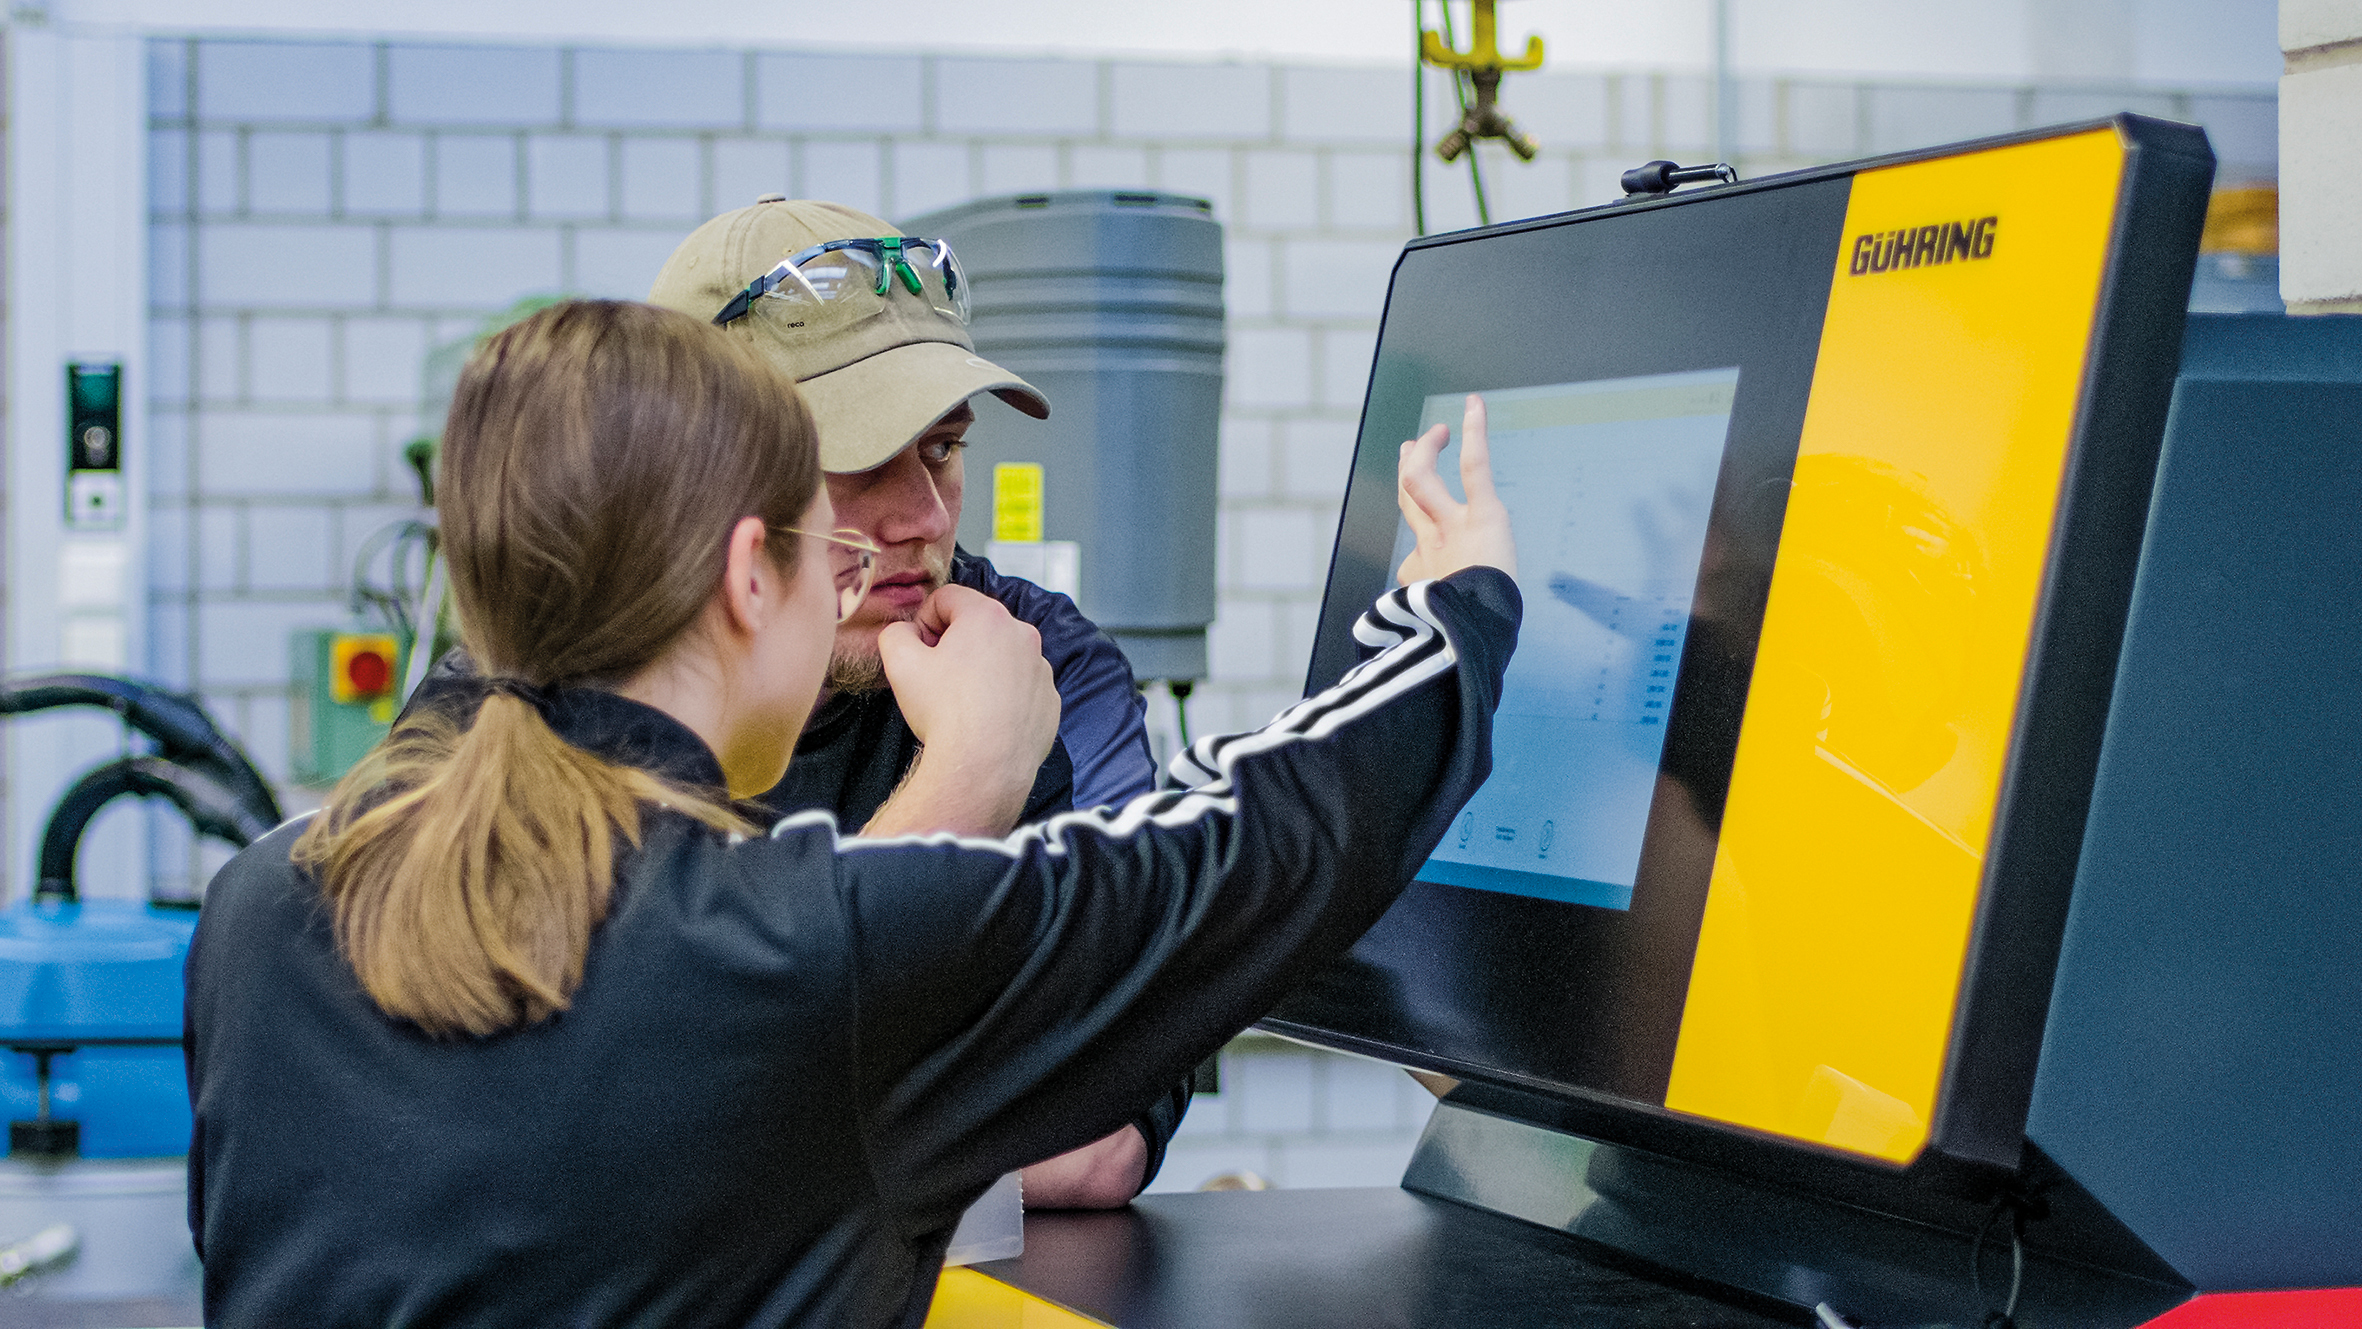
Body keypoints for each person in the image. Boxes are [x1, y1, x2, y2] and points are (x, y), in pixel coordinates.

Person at [184, 299, 1518, 1328]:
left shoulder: (256, 911)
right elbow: (1256, 843)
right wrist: (1450, 611)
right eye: (826, 551)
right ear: (745, 580)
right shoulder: (801, 947)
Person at [646, 198, 1170, 1207]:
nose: (922, 518)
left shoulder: (1042, 662)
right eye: (854, 458)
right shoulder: (570, 691)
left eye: (940, 449)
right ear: (692, 476)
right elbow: (585, 1115)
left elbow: (1098, 1133)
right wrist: (970, 775)